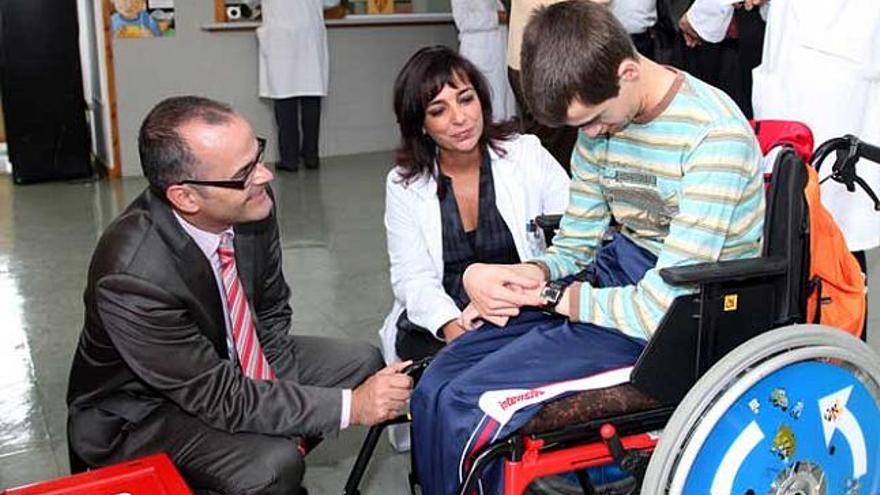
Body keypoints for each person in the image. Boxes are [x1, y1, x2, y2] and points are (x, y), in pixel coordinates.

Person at [409, 2, 765, 494]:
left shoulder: (712, 137)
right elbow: (575, 245)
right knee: (438, 379)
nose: (591, 136)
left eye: (595, 120)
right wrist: (529, 274)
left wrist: (556, 298)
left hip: (684, 319)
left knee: (475, 402)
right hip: (615, 284)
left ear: (628, 71)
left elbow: (659, 306)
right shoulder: (600, 122)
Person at [66, 96, 413, 495]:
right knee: (272, 466)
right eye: (244, 172)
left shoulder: (249, 203)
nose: (264, 175)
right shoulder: (132, 276)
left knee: (361, 362)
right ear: (186, 197)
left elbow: (270, 312)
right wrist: (352, 407)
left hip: (224, 363)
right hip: (144, 414)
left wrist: (281, 408)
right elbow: (218, 394)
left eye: (258, 155)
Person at [378, 46, 570, 365]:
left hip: (521, 308)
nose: (460, 118)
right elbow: (412, 278)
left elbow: (574, 234)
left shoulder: (526, 155)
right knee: (450, 373)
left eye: (466, 99)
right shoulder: (403, 184)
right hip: (440, 321)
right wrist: (453, 328)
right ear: (421, 124)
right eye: (438, 110)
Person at [257, 0, 327, 171]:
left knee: (284, 100)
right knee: (311, 99)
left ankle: (289, 159)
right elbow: (332, 2)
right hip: (310, 34)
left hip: (281, 38)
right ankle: (311, 156)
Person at [452, 0, 517, 122]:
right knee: (486, 104)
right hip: (479, 56)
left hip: (498, 53)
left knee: (502, 104)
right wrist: (497, 17)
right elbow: (463, 20)